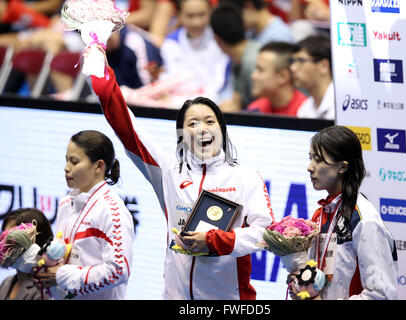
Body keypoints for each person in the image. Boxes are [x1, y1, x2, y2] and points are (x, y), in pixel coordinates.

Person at [88, 45, 275, 300]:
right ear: (181, 135)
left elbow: (265, 233)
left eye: (210, 121)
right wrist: (101, 68)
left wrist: (215, 241)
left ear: (222, 129)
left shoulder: (245, 177)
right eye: (192, 123)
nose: (202, 129)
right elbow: (126, 127)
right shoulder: (168, 172)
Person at [287, 125, 398, 300]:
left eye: (318, 160)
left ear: (342, 167)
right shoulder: (320, 215)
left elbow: (381, 295)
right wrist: (302, 286)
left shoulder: (364, 219)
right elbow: (321, 281)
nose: (310, 167)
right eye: (310, 158)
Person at [32, 130, 134, 300]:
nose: (66, 167)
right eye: (66, 160)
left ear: (99, 166)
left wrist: (62, 276)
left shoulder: (112, 211)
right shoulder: (67, 203)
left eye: (74, 161)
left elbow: (118, 272)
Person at [159, 0, 230, 103]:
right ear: (179, 15)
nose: (197, 22)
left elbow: (218, 86)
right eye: (190, 16)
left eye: (202, 15)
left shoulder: (221, 42)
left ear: (211, 12)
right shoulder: (170, 44)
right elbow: (169, 83)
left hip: (213, 105)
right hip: (176, 107)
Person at [210, 1, 261, 112]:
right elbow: (238, 99)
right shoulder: (237, 58)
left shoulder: (252, 62)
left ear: (217, 39)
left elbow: (263, 108)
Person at [0, 208, 53, 300]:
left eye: (10, 239)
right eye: (3, 237)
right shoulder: (6, 283)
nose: (3, 244)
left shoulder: (44, 290)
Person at [247, 41, 307, 116]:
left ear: (283, 76)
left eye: (260, 70)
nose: (253, 76)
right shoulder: (255, 109)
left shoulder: (304, 113)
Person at [289, 34, 335, 120]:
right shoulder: (304, 109)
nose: (293, 68)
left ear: (323, 66)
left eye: (301, 61)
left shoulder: (342, 107)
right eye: (292, 61)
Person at [225, 0, 295, 45]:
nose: (236, 21)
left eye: (237, 15)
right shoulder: (250, 33)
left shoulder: (280, 36)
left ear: (249, 6)